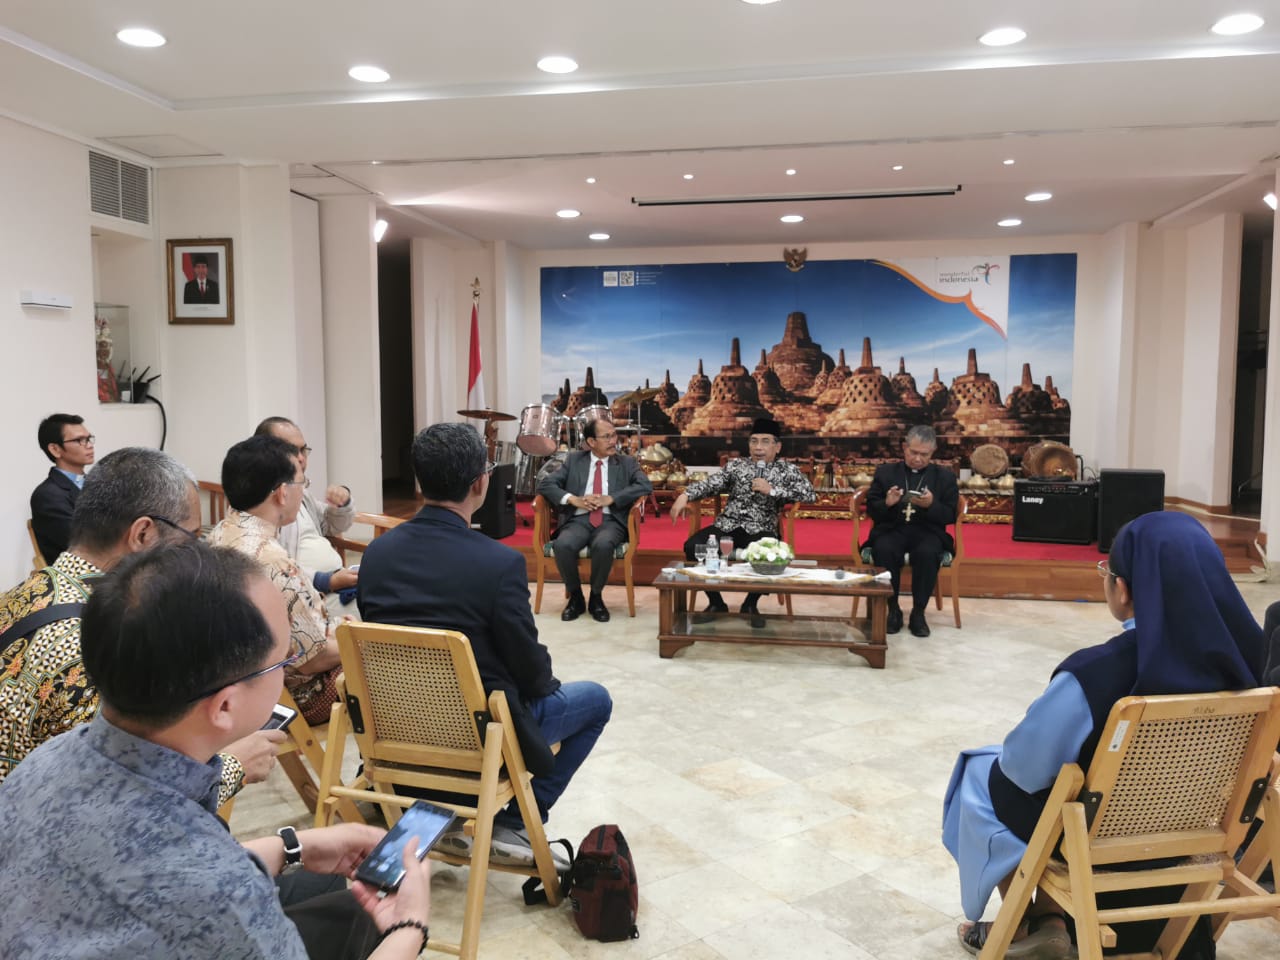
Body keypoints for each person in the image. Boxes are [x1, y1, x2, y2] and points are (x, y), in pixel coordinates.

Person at [0, 540, 432, 960]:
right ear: (225, 705)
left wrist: (291, 846)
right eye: (282, 661)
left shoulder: (37, 767)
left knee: (341, 901)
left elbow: (132, 878)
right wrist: (408, 927)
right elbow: (194, 885)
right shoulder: (220, 895)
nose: (284, 672)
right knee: (371, 917)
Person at [942, 512, 1265, 959]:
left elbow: (1022, 766)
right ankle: (1052, 919)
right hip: (1196, 833)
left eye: (1107, 574)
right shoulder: (1252, 667)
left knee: (983, 772)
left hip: (1095, 839)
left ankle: (1032, 919)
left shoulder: (1095, 674)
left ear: (1125, 589)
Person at [358, 423, 611, 866]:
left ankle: (432, 806)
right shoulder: (499, 563)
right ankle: (514, 821)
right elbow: (531, 673)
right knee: (596, 700)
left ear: (420, 482)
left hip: (396, 727)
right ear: (480, 482)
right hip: (480, 737)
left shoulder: (376, 555)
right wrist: (543, 678)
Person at [1, 446, 279, 801]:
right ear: (143, 534)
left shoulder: (28, 591)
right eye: (191, 537)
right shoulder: (97, 644)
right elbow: (126, 799)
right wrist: (233, 766)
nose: (196, 553)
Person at [207, 435, 343, 726]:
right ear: (282, 492)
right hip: (294, 694)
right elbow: (314, 660)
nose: (303, 491)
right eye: (302, 484)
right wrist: (358, 640)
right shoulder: (272, 561)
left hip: (233, 680)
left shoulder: (218, 533)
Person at [670, 417, 814, 627]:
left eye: (765, 441)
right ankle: (716, 602)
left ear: (777, 446)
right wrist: (685, 495)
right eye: (754, 441)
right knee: (694, 546)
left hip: (761, 528)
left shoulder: (786, 470)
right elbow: (711, 483)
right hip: (728, 525)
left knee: (768, 554)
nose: (758, 447)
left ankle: (750, 604)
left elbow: (810, 494)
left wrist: (772, 490)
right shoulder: (736, 466)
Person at [536, 418, 652, 622]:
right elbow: (546, 484)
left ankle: (596, 597)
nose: (613, 440)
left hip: (610, 520)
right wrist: (573, 499)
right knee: (563, 544)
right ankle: (576, 597)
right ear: (591, 441)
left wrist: (612, 498)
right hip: (579, 519)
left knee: (604, 544)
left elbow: (645, 486)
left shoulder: (626, 462)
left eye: (614, 435)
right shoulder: (574, 460)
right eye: (607, 436)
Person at [255, 416, 358, 619]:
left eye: (303, 450)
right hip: (311, 596)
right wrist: (325, 580)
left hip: (336, 583)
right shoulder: (263, 505)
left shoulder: (301, 494)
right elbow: (274, 570)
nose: (301, 458)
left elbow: (332, 525)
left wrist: (342, 504)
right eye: (292, 451)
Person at [862, 424, 959, 637]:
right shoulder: (886, 472)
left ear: (932, 452)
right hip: (892, 529)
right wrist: (887, 503)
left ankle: (918, 613)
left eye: (924, 454)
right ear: (905, 448)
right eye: (913, 452)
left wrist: (931, 505)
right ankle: (893, 609)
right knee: (884, 549)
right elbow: (872, 509)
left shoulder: (945, 477)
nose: (918, 459)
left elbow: (950, 515)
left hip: (928, 532)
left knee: (927, 553)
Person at [29, 413, 95, 563]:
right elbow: (85, 544)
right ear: (55, 449)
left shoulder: (98, 484)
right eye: (79, 440)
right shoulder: (47, 495)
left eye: (89, 439)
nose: (90, 445)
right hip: (81, 577)